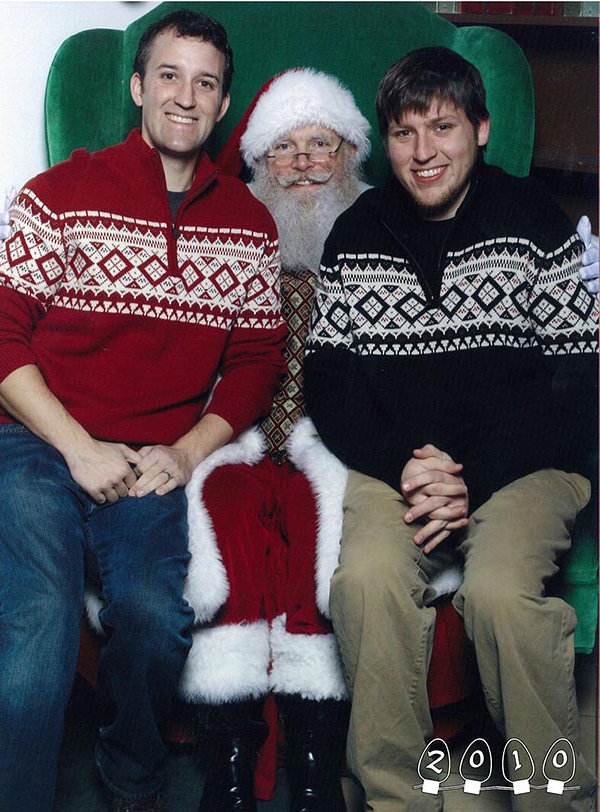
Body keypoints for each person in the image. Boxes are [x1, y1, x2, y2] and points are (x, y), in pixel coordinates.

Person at [0, 10, 286, 812]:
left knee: (158, 623)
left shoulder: (249, 225)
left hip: (150, 455)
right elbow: (1, 336)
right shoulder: (57, 194)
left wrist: (188, 452)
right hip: (34, 439)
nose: (185, 98)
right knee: (37, 629)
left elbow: (257, 359)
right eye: (168, 75)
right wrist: (76, 446)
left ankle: (131, 785)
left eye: (205, 82)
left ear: (223, 103)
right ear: (136, 88)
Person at [304, 47, 598, 812]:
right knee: (363, 582)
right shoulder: (355, 230)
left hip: (526, 462)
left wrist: (472, 474)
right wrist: (405, 465)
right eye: (404, 133)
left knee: (499, 594)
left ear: (482, 128)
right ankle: (395, 800)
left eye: (442, 127)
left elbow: (577, 381)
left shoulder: (537, 221)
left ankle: (551, 798)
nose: (423, 151)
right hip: (399, 467)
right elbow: (329, 384)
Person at [173, 67, 371, 812]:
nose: (302, 164)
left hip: (341, 445)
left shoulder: (379, 234)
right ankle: (231, 767)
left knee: (315, 526)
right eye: (282, 150)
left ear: (350, 154)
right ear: (258, 165)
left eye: (320, 145)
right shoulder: (227, 238)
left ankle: (315, 768)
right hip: (239, 439)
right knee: (221, 511)